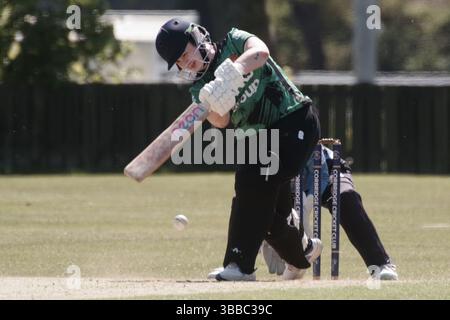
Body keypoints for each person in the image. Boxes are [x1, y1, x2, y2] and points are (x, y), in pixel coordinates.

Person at [155, 18, 322, 281]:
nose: (186, 64)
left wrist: (233, 71)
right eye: (179, 62)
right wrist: (216, 100)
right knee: (261, 206)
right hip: (261, 141)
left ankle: (240, 266)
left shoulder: (234, 40)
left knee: (250, 180)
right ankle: (301, 252)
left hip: (295, 120)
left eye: (185, 54)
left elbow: (261, 53)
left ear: (197, 38)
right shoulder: (200, 88)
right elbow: (221, 122)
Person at [262, 144, 398, 280]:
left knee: (345, 198)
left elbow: (321, 177)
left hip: (327, 170)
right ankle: (242, 266)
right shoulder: (255, 147)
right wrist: (271, 237)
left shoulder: (296, 130)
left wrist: (308, 204)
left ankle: (380, 264)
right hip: (289, 185)